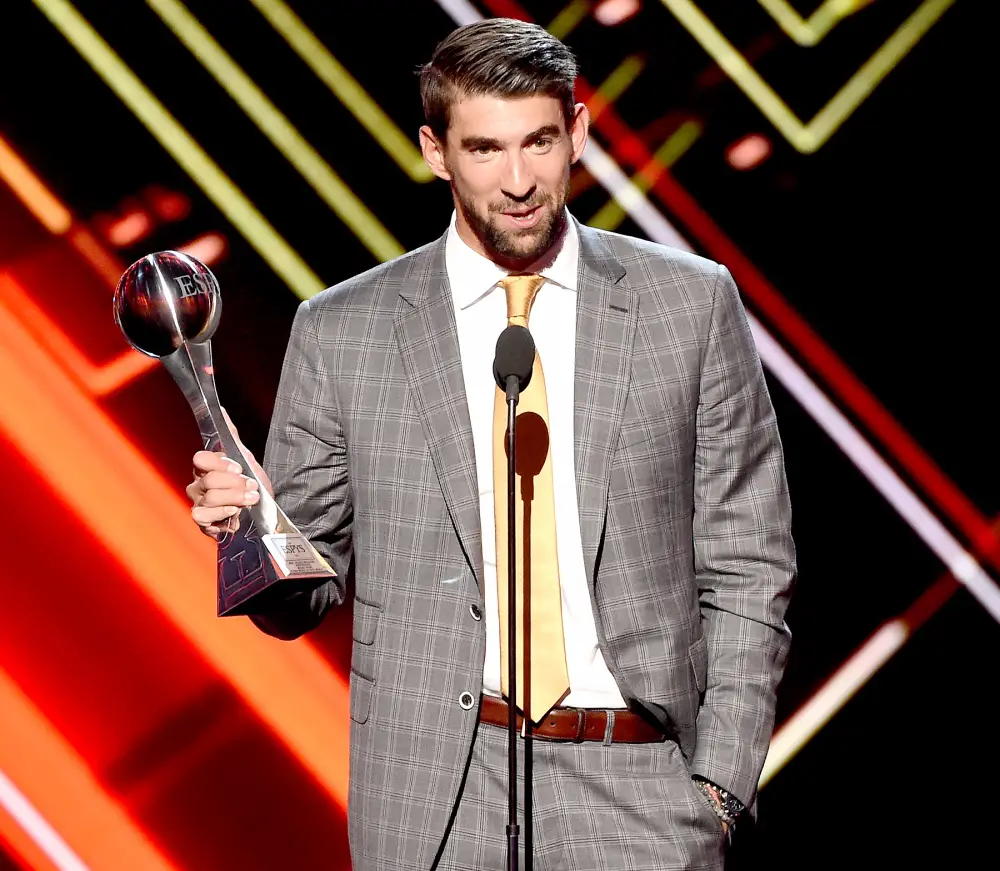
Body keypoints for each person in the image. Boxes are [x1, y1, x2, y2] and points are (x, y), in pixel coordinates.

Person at [187, 17, 795, 871]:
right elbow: (301, 600)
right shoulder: (345, 330)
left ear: (576, 132)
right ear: (436, 152)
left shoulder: (687, 306)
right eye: (484, 150)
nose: (517, 181)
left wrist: (717, 791)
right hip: (437, 793)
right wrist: (254, 527)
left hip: (638, 789)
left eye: (539, 142)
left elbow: (749, 561)